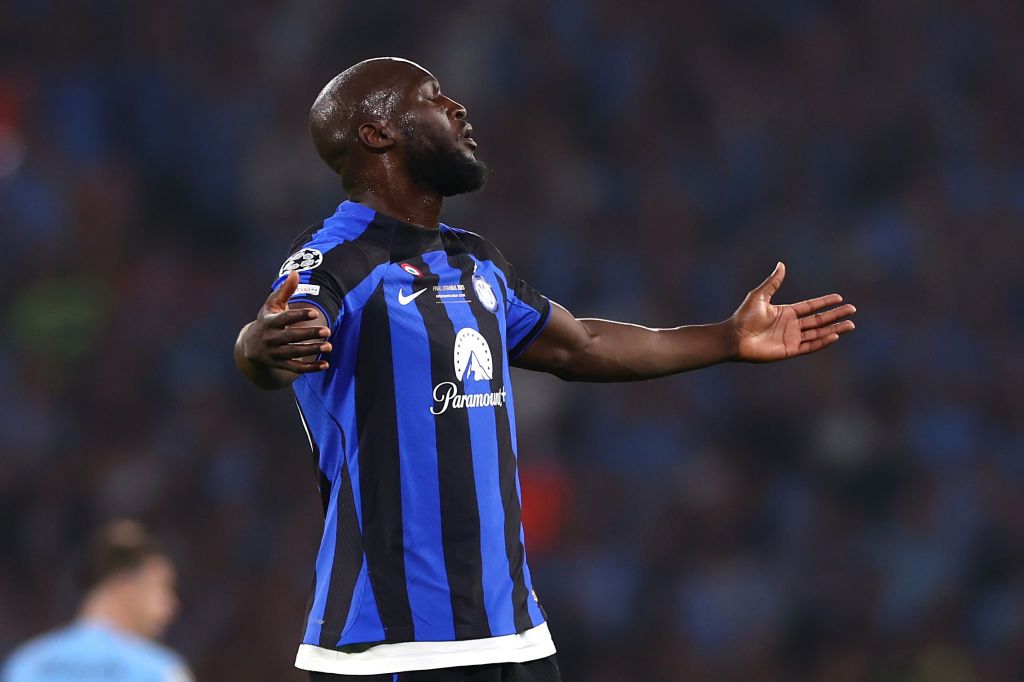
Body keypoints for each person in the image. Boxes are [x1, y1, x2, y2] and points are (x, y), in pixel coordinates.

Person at [233, 57, 856, 681]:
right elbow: (274, 337)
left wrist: (723, 339)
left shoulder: (475, 261)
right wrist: (259, 346)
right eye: (432, 97)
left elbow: (578, 346)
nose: (458, 108)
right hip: (394, 647)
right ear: (377, 134)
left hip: (515, 637)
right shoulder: (339, 258)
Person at [1, 521, 191, 682]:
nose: (171, 607)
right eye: (163, 588)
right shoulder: (159, 671)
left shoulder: (27, 663)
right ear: (125, 585)